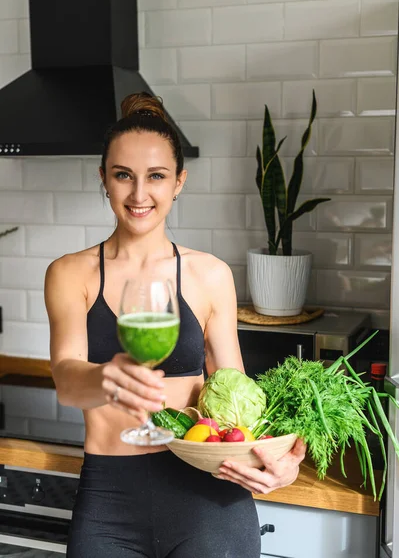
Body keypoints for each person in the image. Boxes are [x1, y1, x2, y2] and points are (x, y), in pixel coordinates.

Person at [45, 92, 306, 558]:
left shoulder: (209, 274)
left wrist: (287, 458)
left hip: (208, 494)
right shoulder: (71, 273)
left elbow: (239, 395)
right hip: (109, 496)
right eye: (123, 175)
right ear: (104, 178)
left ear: (179, 182)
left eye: (157, 177)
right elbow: (66, 380)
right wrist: (105, 377)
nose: (139, 194)